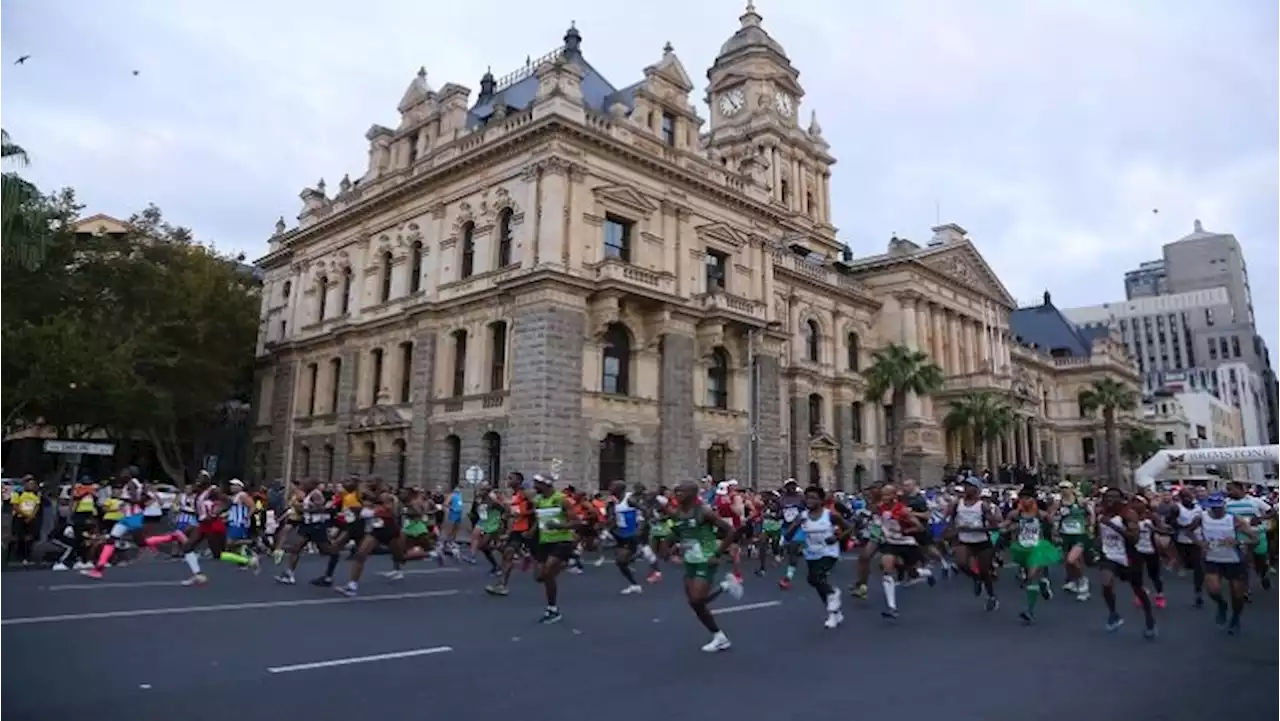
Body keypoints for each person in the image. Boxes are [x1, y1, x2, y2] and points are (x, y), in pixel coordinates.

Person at [666, 480, 744, 652]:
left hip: (706, 559)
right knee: (696, 604)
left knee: (697, 599)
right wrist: (668, 547)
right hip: (689, 561)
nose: (676, 495)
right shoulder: (678, 513)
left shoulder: (703, 512)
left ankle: (726, 586)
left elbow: (730, 531)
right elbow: (679, 532)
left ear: (692, 494)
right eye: (676, 491)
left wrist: (717, 553)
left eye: (680, 492)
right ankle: (719, 636)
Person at [784, 486, 851, 628]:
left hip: (829, 551)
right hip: (811, 553)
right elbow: (788, 536)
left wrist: (837, 538)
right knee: (815, 581)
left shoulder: (830, 515)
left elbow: (849, 527)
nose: (810, 500)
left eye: (814, 498)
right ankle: (834, 614)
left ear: (821, 500)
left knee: (817, 577)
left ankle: (833, 594)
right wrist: (796, 525)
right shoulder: (802, 516)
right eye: (807, 498)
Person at [1199, 492, 1256, 634]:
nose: (1216, 511)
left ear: (1223, 506)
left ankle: (1235, 618)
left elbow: (1255, 539)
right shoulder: (1202, 517)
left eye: (1218, 507)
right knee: (1213, 590)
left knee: (1237, 595)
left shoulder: (1234, 519)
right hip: (1213, 558)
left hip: (1233, 560)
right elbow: (1187, 530)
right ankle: (1221, 605)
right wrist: (1199, 543)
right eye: (1213, 508)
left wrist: (1238, 541)